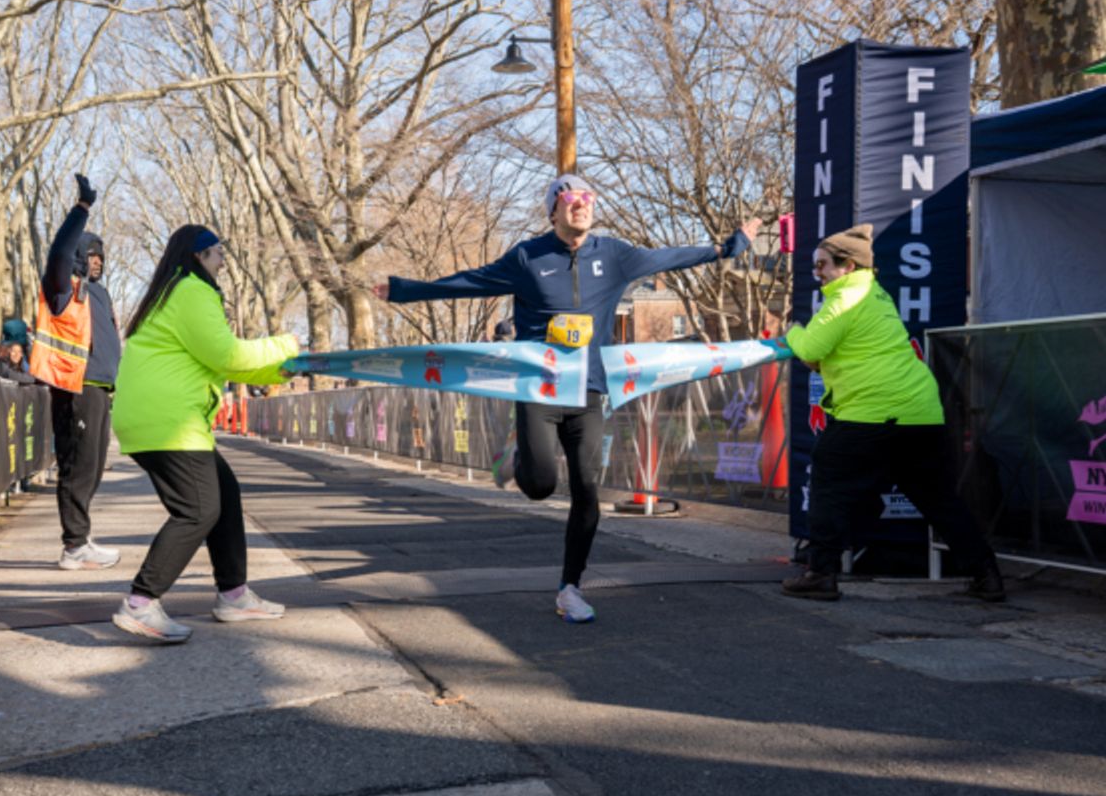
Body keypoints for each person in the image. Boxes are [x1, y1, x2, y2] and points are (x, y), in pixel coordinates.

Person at [374, 173, 755, 623]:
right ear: (553, 210)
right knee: (539, 487)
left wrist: (729, 246)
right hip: (538, 388)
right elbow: (471, 282)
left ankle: (570, 586)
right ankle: (520, 454)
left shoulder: (614, 255)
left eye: (587, 198)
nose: (581, 204)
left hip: (589, 391)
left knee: (587, 489)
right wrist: (405, 290)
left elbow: (670, 258)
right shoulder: (527, 257)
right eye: (570, 198)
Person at [779, 224, 1005, 602]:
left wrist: (790, 332)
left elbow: (809, 348)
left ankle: (820, 573)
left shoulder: (843, 299)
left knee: (829, 486)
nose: (816, 273)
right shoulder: (876, 295)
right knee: (938, 499)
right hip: (921, 413)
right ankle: (987, 575)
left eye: (822, 266)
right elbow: (849, 352)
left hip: (870, 414)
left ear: (847, 266)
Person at [110, 224, 299, 643]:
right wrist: (285, 345)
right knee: (198, 510)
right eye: (217, 254)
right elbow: (227, 353)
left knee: (224, 497)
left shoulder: (170, 294)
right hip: (170, 420)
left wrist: (282, 371)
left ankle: (233, 594)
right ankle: (141, 603)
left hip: (160, 417)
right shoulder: (192, 291)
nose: (222, 262)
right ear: (198, 256)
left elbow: (218, 364)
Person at [31, 174, 123, 571]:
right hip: (74, 386)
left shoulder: (99, 293)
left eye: (102, 256)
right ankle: (74, 547)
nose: (97, 260)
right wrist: (81, 209)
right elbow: (59, 251)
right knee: (77, 467)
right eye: (91, 254)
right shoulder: (61, 285)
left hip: (100, 390)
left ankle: (81, 539)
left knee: (92, 466)